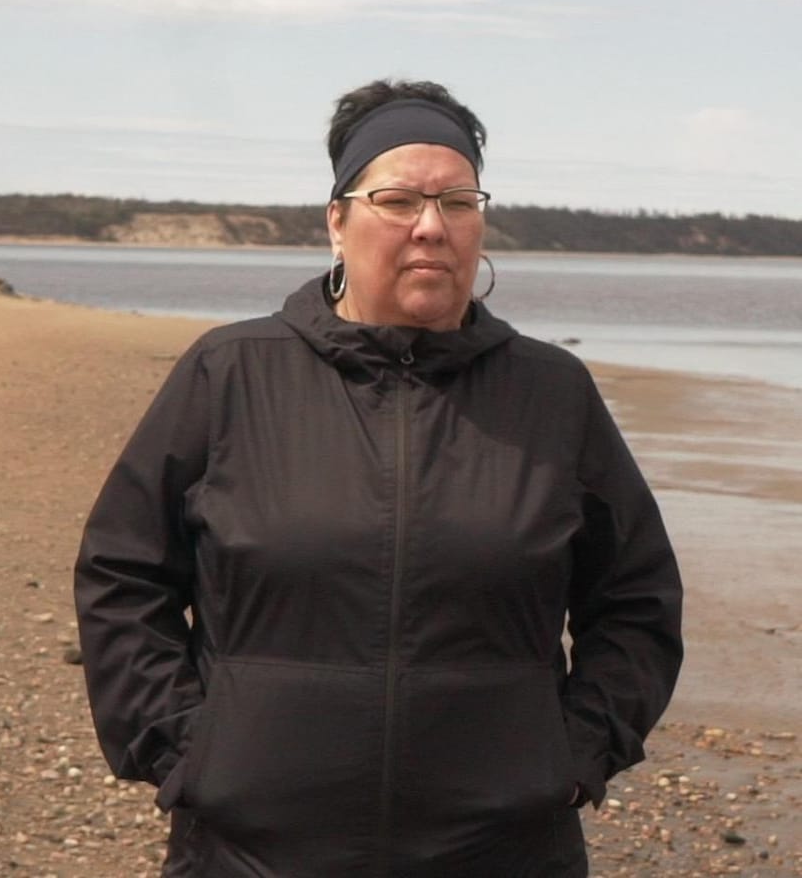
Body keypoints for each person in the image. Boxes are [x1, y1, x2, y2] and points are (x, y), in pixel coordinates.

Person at [74, 79, 683, 877]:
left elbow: (636, 600)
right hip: (253, 851)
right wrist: (186, 749)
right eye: (397, 199)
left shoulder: (551, 392)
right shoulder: (231, 373)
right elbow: (123, 574)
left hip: (502, 850)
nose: (431, 227)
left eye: (457, 201)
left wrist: (575, 751)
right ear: (338, 221)